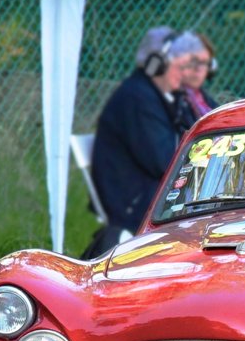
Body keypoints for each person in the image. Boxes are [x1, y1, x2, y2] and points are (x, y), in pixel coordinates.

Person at [87, 26, 191, 257]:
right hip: (132, 202)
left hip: (147, 190)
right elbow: (165, 162)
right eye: (179, 65)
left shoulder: (162, 95)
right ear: (157, 65)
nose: (184, 73)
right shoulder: (137, 98)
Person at [171, 30, 220, 133]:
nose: (199, 68)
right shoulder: (172, 102)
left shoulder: (203, 98)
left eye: (204, 63)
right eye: (194, 61)